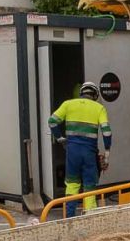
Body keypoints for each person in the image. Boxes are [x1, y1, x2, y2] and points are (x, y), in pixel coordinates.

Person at [48, 81, 112, 217]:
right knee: (89, 186)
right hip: (89, 153)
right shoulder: (99, 108)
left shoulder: (68, 104)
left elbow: (52, 121)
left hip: (72, 153)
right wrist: (107, 154)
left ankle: (69, 219)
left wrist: (60, 138)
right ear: (95, 95)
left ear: (81, 92)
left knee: (72, 185)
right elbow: (106, 132)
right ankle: (89, 217)